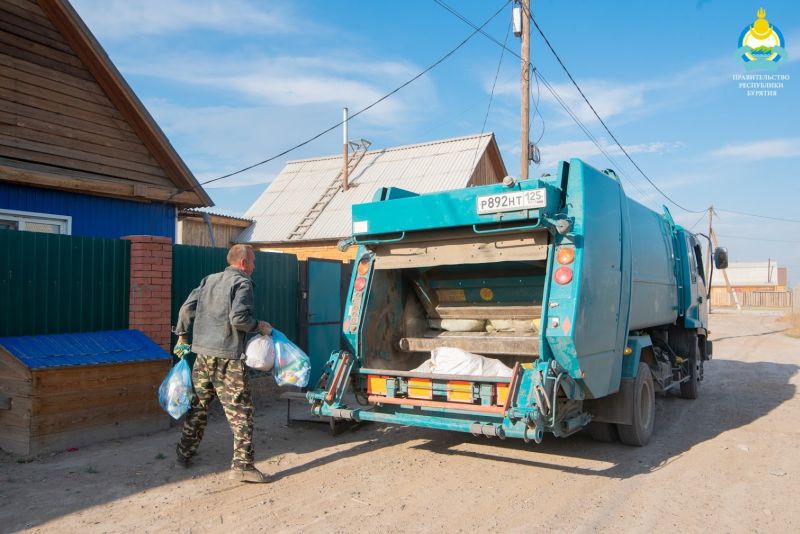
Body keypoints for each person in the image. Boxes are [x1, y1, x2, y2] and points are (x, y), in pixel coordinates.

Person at [172, 244, 272, 483]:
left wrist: (182, 336)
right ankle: (243, 466)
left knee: (198, 405)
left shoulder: (209, 280)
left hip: (203, 355)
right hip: (228, 357)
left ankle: (184, 453)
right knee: (241, 412)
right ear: (243, 263)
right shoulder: (243, 283)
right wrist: (260, 326)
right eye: (253, 262)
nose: (255, 267)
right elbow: (239, 319)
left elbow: (187, 309)